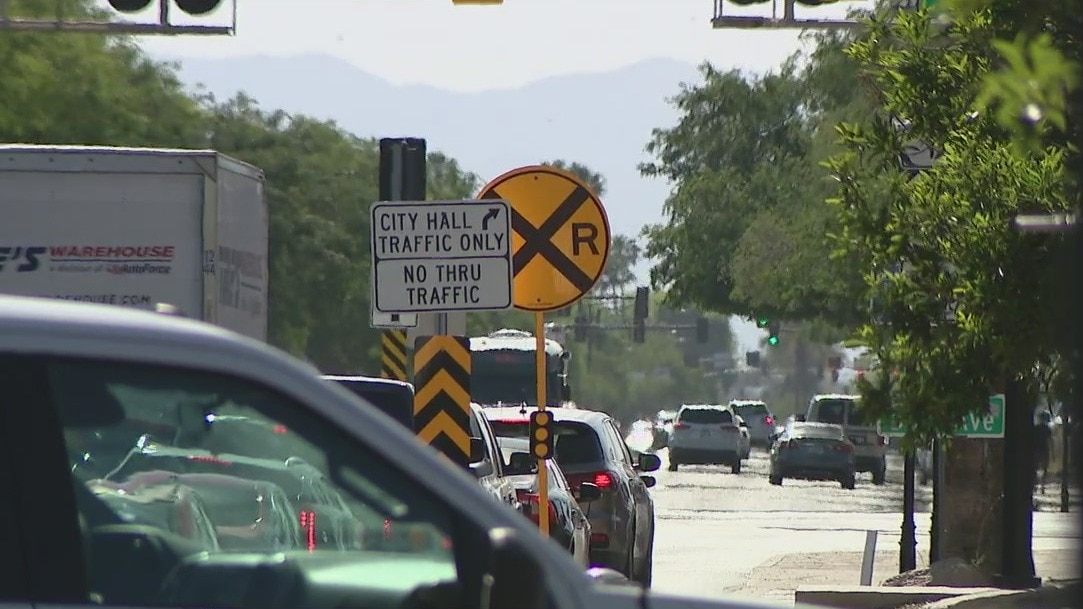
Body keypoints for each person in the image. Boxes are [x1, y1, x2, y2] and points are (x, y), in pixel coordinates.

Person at [1034, 410, 1054, 496]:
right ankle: (1042, 486)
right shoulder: (1047, 429)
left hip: (1036, 450)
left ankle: (1037, 486)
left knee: (1036, 468)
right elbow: (1050, 441)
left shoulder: (1036, 428)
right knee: (1044, 469)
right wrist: (1053, 452)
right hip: (1044, 449)